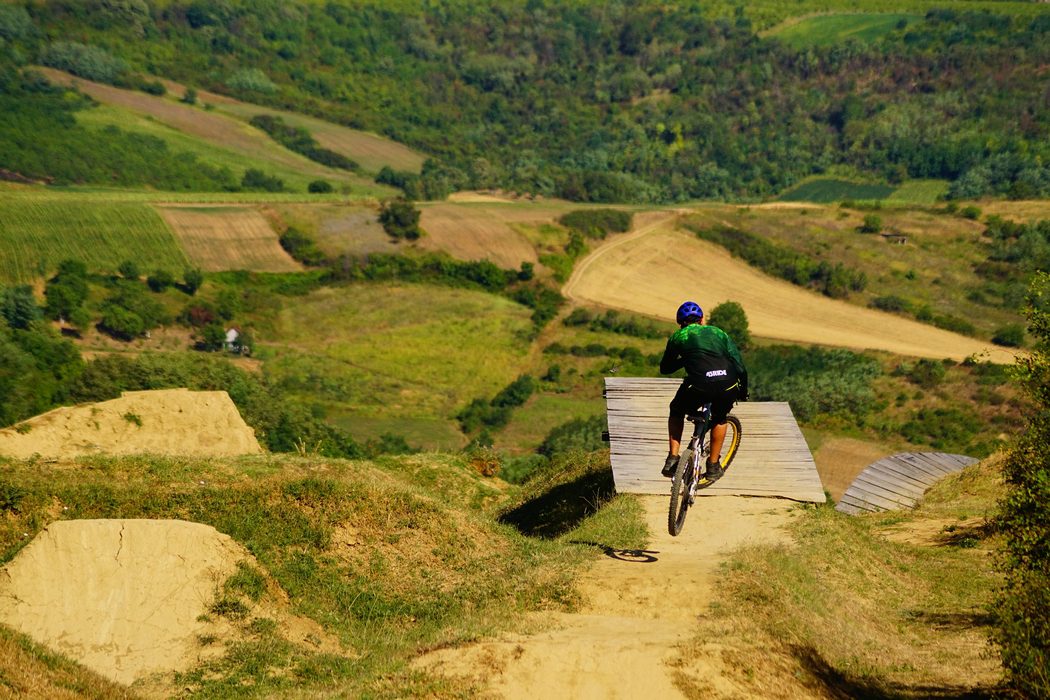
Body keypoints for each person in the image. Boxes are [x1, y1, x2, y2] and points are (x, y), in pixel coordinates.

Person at [659, 301, 748, 481]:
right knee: (720, 418)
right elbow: (739, 365)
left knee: (676, 410)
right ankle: (714, 466)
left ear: (680, 322)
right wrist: (743, 390)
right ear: (701, 320)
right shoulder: (718, 332)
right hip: (727, 383)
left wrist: (686, 359)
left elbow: (665, 368)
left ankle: (673, 458)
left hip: (699, 386)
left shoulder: (678, 337)